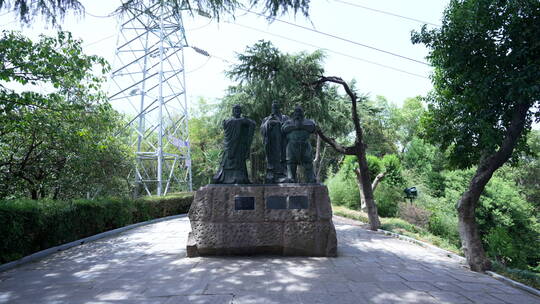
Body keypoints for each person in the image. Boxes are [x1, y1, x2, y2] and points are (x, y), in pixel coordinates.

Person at [212, 105, 255, 184]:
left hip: (240, 146)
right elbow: (226, 124)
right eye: (235, 109)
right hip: (230, 146)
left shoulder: (243, 120)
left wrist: (246, 121)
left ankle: (239, 176)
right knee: (227, 161)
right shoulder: (229, 121)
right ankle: (225, 177)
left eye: (239, 109)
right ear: (232, 111)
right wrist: (241, 121)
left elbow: (252, 124)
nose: (237, 111)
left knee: (239, 163)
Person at [281, 105, 317, 183]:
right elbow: (283, 129)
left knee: (308, 162)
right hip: (292, 145)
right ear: (294, 113)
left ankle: (311, 177)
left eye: (299, 111)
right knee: (291, 162)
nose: (298, 113)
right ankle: (291, 177)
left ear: (302, 113)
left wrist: (302, 126)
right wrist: (295, 127)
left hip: (305, 145)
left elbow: (313, 127)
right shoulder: (288, 122)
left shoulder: (308, 121)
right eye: (296, 111)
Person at [260, 102, 289, 183]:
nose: (275, 109)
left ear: (279, 108)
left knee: (283, 157)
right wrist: (269, 123)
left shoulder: (285, 118)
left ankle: (284, 173)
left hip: (283, 143)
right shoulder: (267, 119)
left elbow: (289, 127)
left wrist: (279, 123)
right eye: (273, 107)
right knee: (271, 158)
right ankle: (271, 172)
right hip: (271, 143)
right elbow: (262, 130)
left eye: (276, 107)